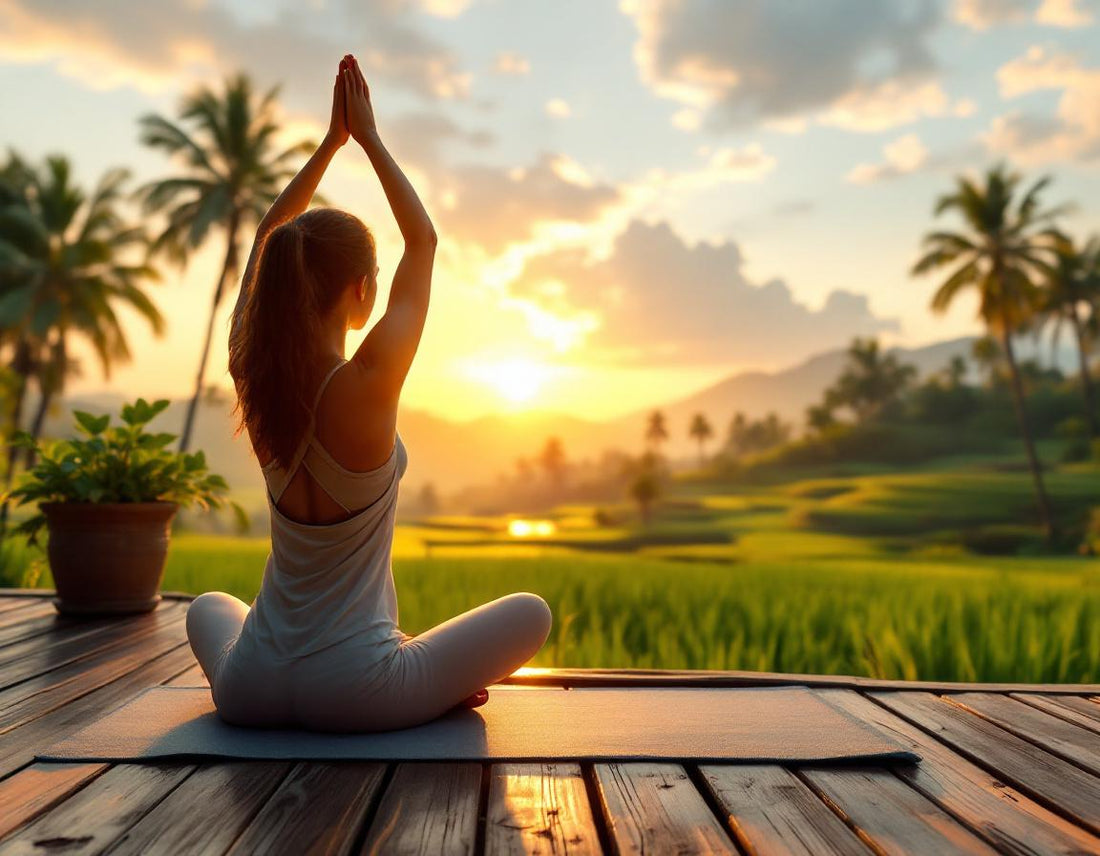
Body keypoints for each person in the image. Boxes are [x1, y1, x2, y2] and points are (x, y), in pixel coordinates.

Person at [184, 54, 553, 733]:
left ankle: (410, 675)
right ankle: (426, 682)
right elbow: (424, 239)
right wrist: (370, 139)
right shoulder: (369, 382)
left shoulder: (253, 380)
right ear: (360, 292)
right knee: (533, 612)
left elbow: (269, 240)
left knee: (207, 604)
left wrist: (328, 146)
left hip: (251, 688)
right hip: (359, 694)